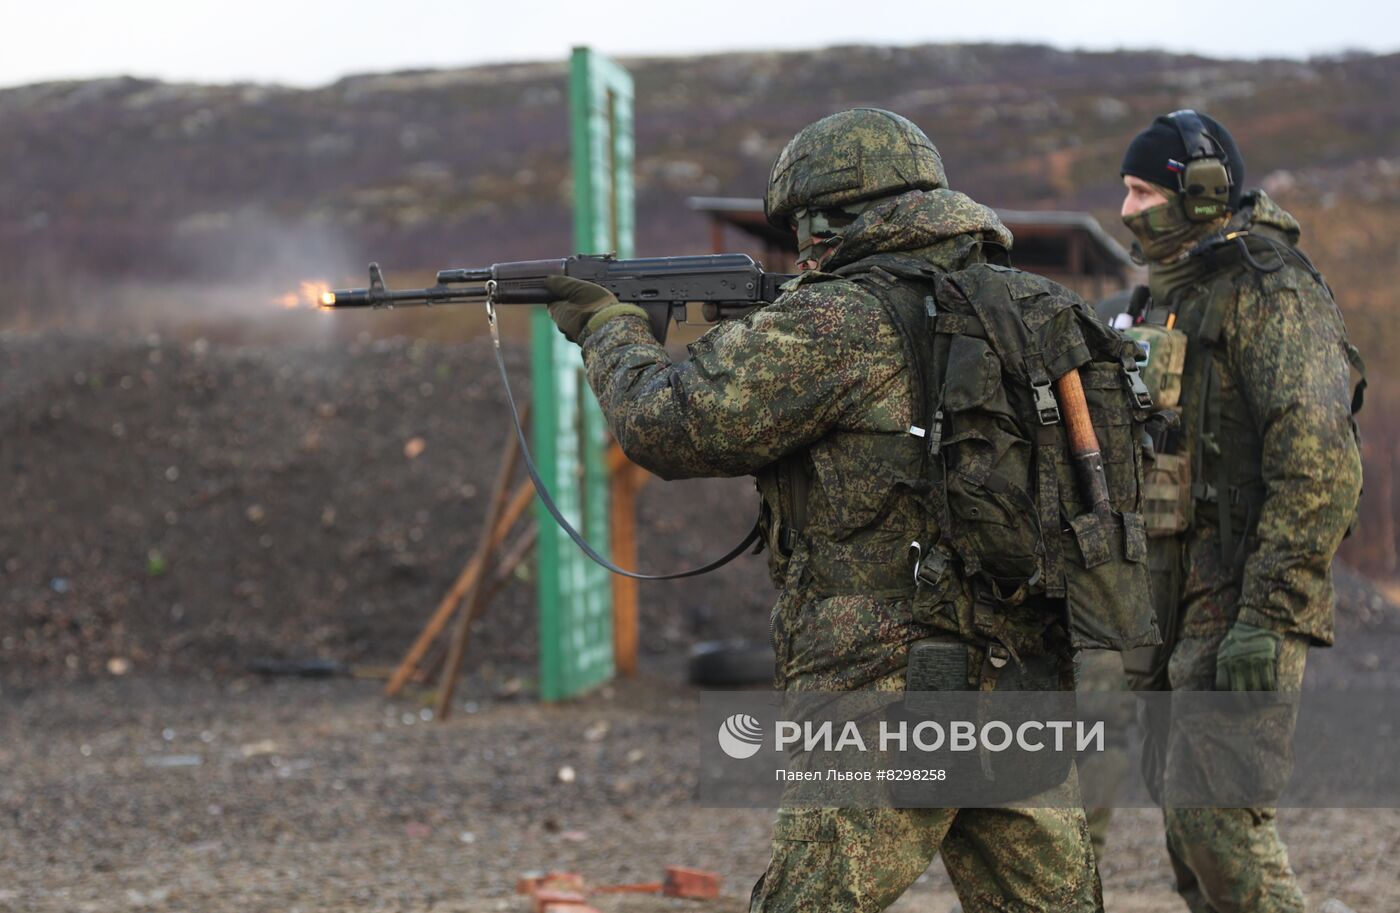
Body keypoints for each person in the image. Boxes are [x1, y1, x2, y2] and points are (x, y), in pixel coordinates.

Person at [543, 107, 1146, 913]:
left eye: (804, 226)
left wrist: (611, 330)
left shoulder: (843, 315)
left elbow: (674, 424)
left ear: (832, 213)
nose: (803, 246)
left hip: (882, 694)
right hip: (1021, 678)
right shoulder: (1039, 308)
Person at [1109, 110, 1364, 913]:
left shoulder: (1271, 290)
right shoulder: (1160, 302)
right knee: (1186, 828)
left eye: (1143, 191)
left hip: (1243, 593)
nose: (1126, 211)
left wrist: (1270, 610)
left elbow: (1320, 457)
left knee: (1219, 821)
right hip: (1171, 594)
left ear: (1205, 196)